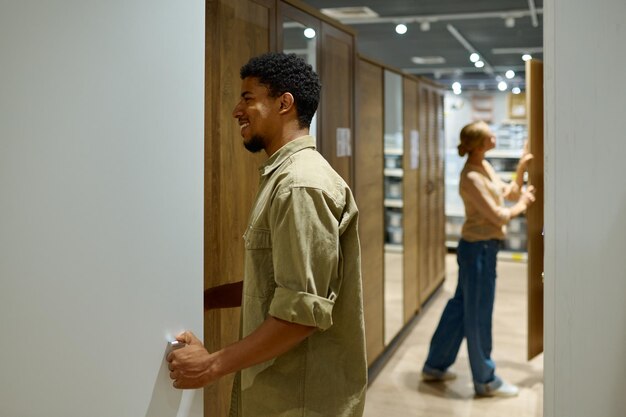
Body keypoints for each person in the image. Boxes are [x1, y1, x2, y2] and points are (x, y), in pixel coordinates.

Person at [167, 52, 367, 416]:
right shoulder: (284, 177)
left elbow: (301, 313)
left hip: (299, 401)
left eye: (247, 98)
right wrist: (205, 299)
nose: (236, 110)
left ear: (284, 103)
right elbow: (279, 282)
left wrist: (209, 365)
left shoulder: (300, 185)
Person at [421, 120, 536, 397]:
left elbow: (507, 192)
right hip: (479, 250)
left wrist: (521, 168)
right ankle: (485, 379)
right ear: (480, 144)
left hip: (480, 249)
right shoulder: (470, 177)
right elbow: (499, 214)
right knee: (478, 313)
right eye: (490, 133)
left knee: (461, 308)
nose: (495, 135)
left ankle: (435, 365)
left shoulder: (484, 166)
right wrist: (524, 203)